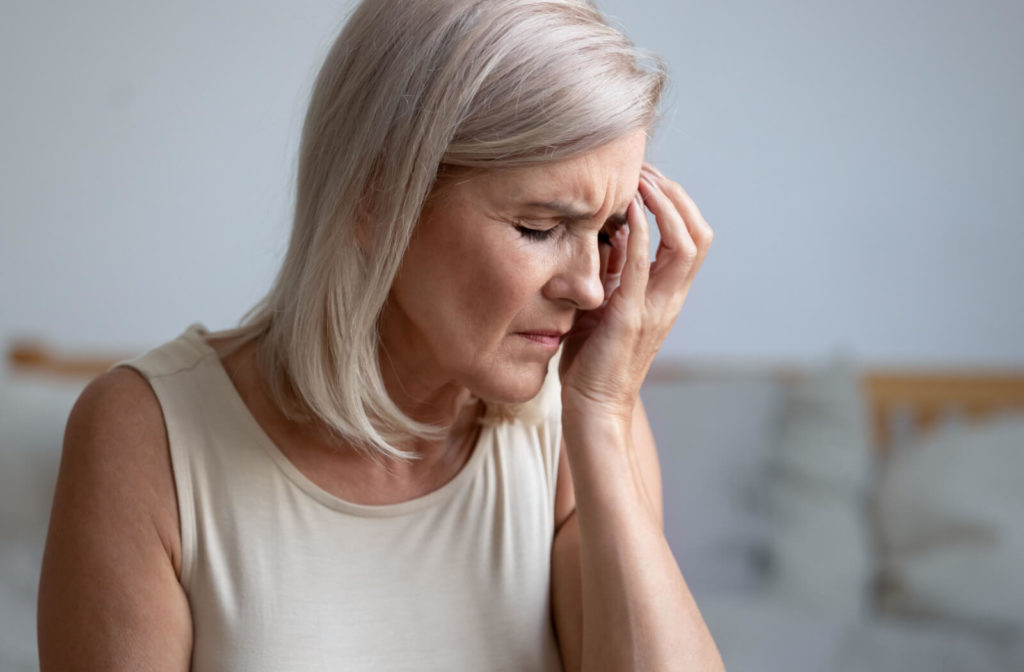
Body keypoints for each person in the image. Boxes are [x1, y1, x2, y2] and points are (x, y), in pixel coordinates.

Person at [38, 0, 724, 670]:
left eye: (606, 232)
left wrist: (604, 418)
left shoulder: (582, 428)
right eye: (542, 227)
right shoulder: (145, 435)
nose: (592, 288)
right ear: (376, 201)